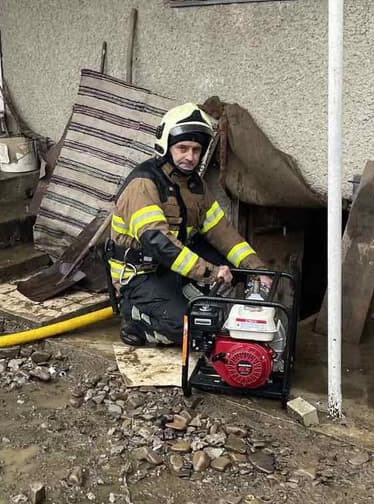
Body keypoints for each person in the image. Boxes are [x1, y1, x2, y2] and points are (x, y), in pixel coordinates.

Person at [106, 103, 269, 346]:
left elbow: (223, 233)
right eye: (182, 148)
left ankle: (188, 300)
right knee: (192, 330)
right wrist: (211, 273)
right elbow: (158, 242)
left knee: (216, 302)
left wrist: (256, 269)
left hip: (169, 269)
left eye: (196, 150)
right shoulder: (144, 184)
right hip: (139, 276)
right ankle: (136, 318)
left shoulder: (195, 186)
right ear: (166, 146)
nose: (190, 157)